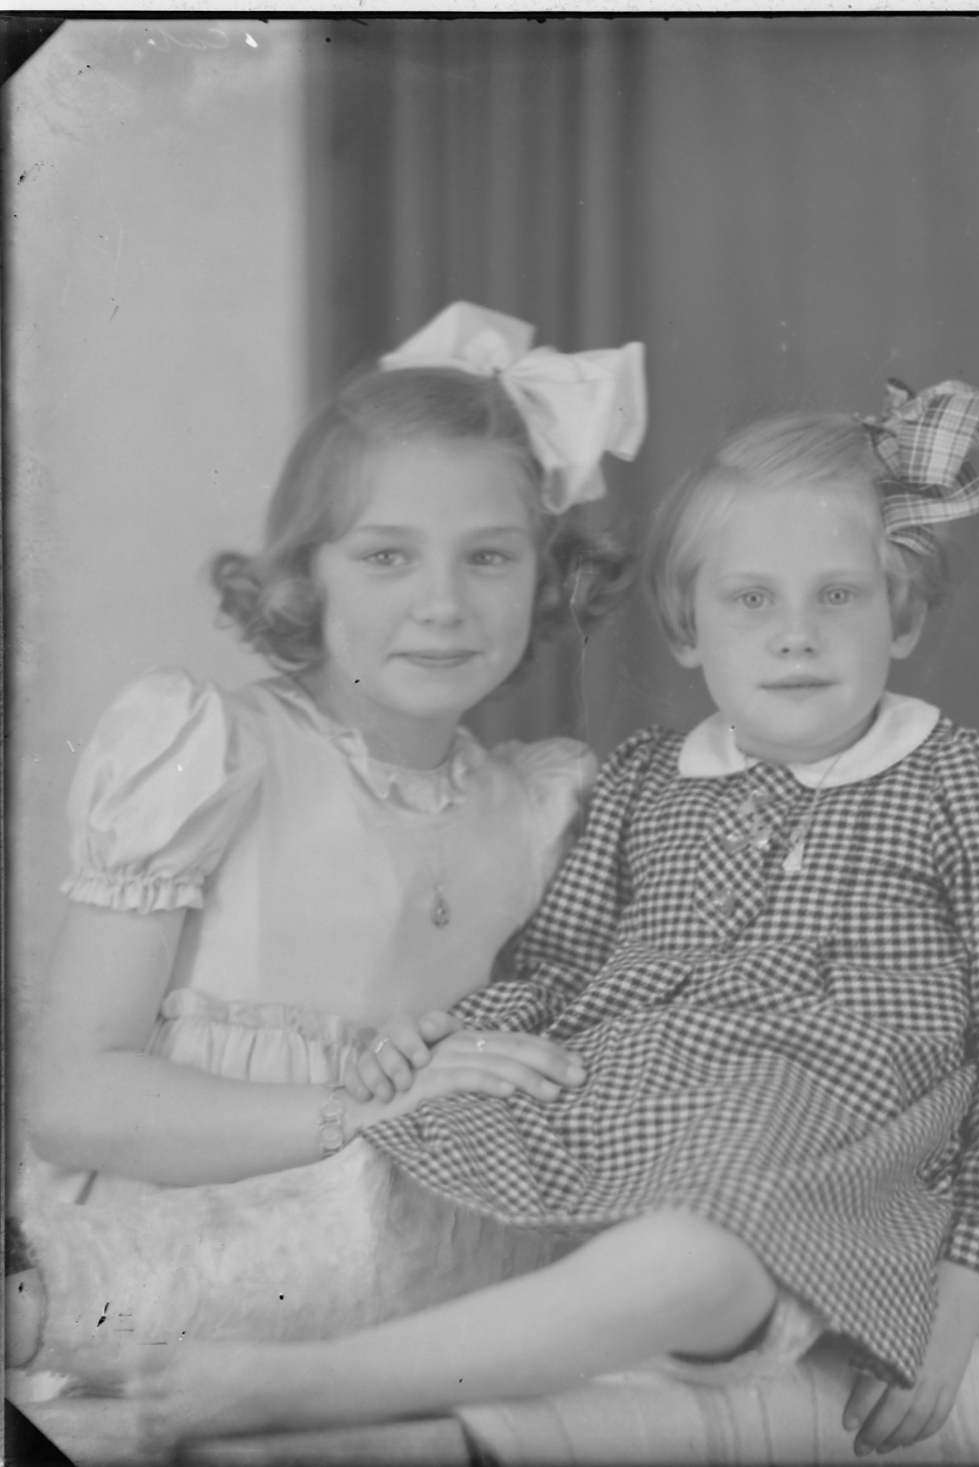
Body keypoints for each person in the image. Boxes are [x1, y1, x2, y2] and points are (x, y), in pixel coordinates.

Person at [16, 379, 979, 1460]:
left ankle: (314, 1387)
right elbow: (552, 976)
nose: (795, 636)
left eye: (838, 595)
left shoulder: (973, 788)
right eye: (750, 600)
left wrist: (967, 1282)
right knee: (386, 1205)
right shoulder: (637, 785)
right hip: (585, 1137)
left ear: (902, 614)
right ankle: (54, 1305)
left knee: (698, 1251)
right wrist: (443, 1043)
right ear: (686, 630)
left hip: (811, 1173)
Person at [7, 300, 640, 1363]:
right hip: (164, 1246)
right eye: (388, 556)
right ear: (305, 575)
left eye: (489, 558)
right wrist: (356, 1110)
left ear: (549, 579)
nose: (443, 603)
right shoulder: (210, 754)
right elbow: (71, 1101)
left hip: (388, 1273)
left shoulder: (539, 812)